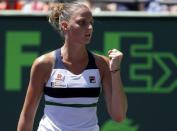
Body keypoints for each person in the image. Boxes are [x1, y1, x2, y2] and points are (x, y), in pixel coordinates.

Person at [17, 1, 128, 131]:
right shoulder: (44, 64)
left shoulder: (102, 64)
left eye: (91, 22)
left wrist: (115, 70)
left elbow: (119, 116)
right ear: (65, 26)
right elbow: (27, 115)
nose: (90, 27)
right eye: (82, 23)